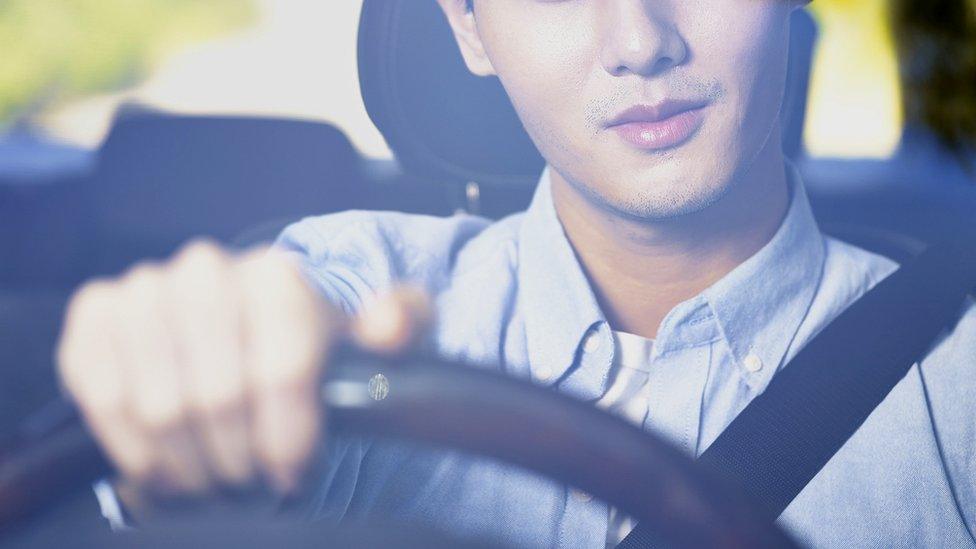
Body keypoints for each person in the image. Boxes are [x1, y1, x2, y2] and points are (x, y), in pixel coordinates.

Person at [56, 0, 976, 547]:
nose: (639, 41)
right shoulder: (368, 283)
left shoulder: (956, 373)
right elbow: (277, 323)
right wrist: (199, 367)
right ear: (469, 28)